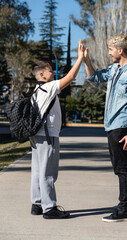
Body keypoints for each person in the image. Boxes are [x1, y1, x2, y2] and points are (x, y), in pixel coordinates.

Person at [82, 34, 127, 222]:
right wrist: (86, 59)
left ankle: (124, 208)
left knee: (122, 169)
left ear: (120, 50)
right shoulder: (114, 69)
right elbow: (93, 77)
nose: (109, 52)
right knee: (121, 168)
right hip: (111, 125)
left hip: (122, 126)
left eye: (111, 49)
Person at [30, 40, 84, 219]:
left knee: (38, 170)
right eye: (50, 70)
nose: (53, 72)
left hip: (37, 135)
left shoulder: (36, 91)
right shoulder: (48, 87)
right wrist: (80, 58)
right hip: (48, 135)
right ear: (42, 74)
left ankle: (37, 204)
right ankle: (49, 208)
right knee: (48, 172)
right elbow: (69, 78)